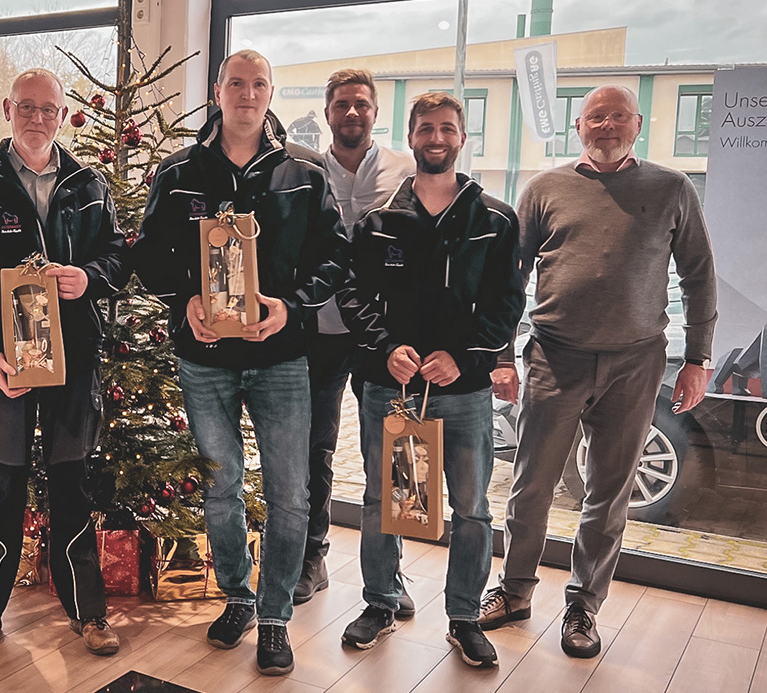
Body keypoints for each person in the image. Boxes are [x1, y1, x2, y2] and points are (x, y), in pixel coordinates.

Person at [478, 84, 718, 658]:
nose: (606, 126)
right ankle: (514, 590)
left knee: (608, 492)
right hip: (554, 356)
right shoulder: (545, 189)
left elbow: (700, 276)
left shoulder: (672, 189)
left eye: (618, 117)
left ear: (637, 124)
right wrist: (500, 354)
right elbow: (507, 280)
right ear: (578, 126)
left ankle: (584, 604)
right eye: (595, 117)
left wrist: (698, 359)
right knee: (531, 484)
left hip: (636, 363)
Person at [132, 49, 348, 676]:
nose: (247, 94)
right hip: (204, 358)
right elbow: (148, 257)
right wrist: (187, 299)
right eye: (236, 83)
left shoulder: (305, 173)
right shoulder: (179, 173)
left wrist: (293, 307)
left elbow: (336, 256)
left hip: (281, 358)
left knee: (288, 494)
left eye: (259, 83)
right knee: (220, 486)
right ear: (218, 91)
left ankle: (276, 617)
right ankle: (237, 596)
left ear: (271, 91)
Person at [0, 68, 126, 659]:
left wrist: (88, 278)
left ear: (64, 114)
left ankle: (89, 614)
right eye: (27, 107)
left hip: (73, 365)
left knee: (73, 483)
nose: (38, 118)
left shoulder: (88, 183)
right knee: (4, 483)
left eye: (49, 108)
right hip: (6, 369)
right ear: (7, 109)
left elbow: (119, 255)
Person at [336, 91, 523, 667]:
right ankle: (381, 600)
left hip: (463, 394)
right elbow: (352, 294)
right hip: (393, 390)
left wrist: (467, 358)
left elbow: (506, 304)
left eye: (446, 128)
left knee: (471, 508)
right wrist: (386, 347)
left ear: (462, 138)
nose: (435, 138)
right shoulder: (379, 221)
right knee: (382, 503)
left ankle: (464, 617)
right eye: (424, 128)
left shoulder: (495, 220)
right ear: (411, 136)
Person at [297, 67, 416, 610]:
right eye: (341, 104)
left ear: (375, 112)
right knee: (316, 449)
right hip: (317, 330)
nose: (351, 113)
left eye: (361, 104)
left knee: (390, 456)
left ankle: (390, 578)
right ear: (327, 113)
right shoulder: (304, 171)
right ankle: (311, 559)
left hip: (381, 337)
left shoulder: (405, 170)